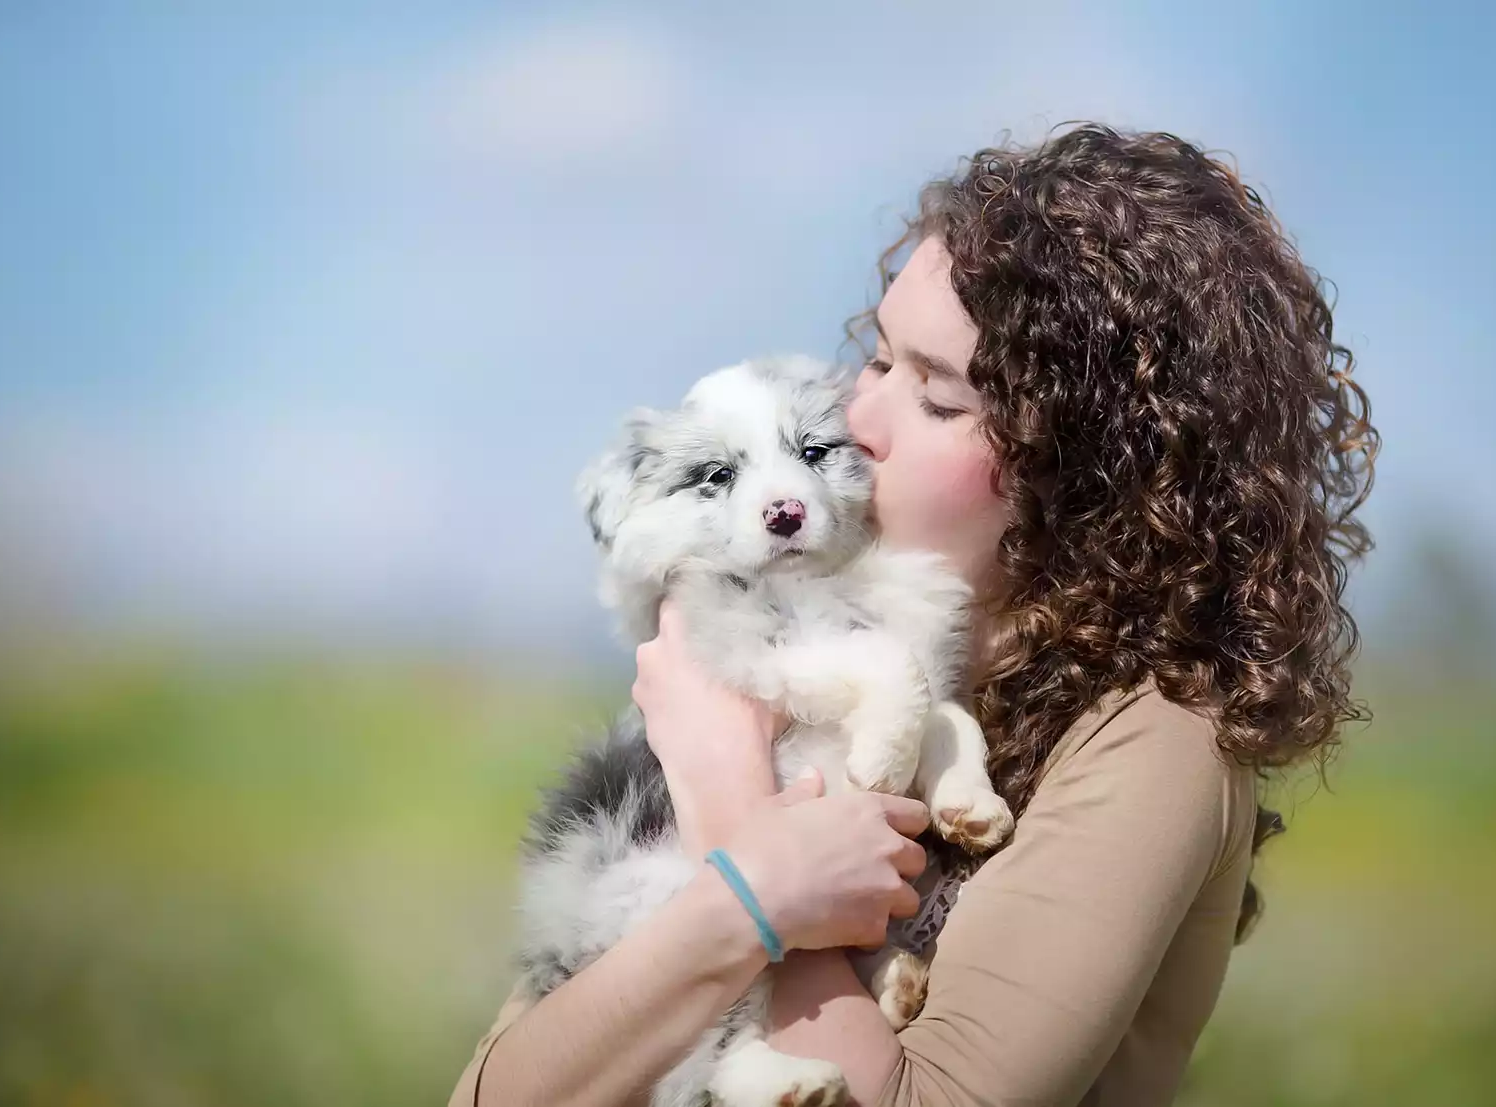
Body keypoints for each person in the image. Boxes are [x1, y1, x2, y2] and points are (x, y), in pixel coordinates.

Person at [448, 122, 1378, 1107]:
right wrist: (740, 869)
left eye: (934, 398)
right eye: (878, 360)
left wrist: (738, 823)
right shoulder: (801, 666)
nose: (858, 421)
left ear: (1092, 476)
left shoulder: (1153, 747)